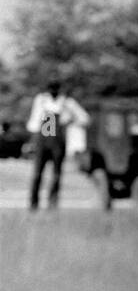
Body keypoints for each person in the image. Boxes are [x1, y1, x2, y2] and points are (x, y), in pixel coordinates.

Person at [27, 79, 89, 210]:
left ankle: (52, 204)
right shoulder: (41, 100)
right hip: (42, 141)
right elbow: (33, 123)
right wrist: (33, 141)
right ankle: (33, 204)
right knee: (37, 173)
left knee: (56, 174)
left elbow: (84, 118)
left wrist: (70, 121)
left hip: (57, 142)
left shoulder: (67, 102)